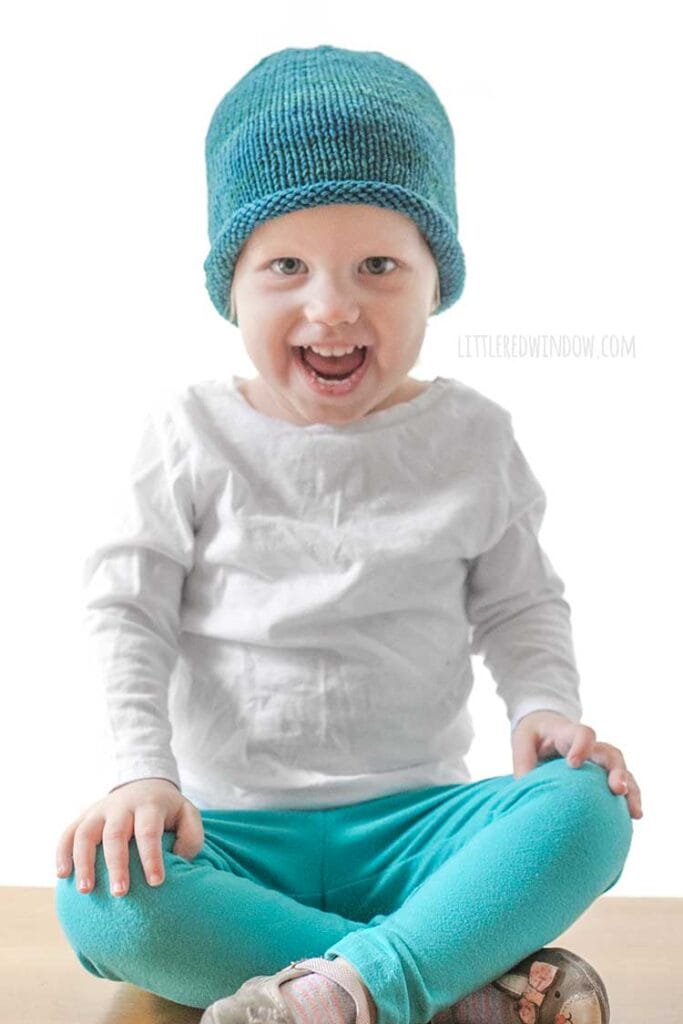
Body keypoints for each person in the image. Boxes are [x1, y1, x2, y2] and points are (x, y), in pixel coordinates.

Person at [54, 44, 642, 1024]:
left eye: (378, 264)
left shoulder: (470, 435)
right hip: (233, 836)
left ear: (433, 282)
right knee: (99, 893)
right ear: (229, 285)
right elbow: (129, 609)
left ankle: (340, 987)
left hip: (418, 829)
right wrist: (141, 776)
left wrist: (544, 703)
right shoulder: (188, 433)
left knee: (586, 808)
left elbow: (519, 598)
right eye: (285, 265)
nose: (331, 306)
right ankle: (420, 980)